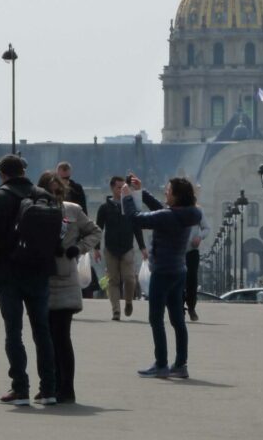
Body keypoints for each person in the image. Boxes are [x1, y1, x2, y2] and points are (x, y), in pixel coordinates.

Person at [0, 154, 57, 406]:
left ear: (2, 174)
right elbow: (59, 234)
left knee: (14, 331)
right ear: (23, 170)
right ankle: (49, 389)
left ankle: (20, 388)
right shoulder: (46, 197)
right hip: (40, 271)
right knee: (42, 331)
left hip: (9, 272)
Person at [121, 174, 201, 379]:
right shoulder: (190, 213)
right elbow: (164, 211)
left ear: (176, 196)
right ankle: (181, 364)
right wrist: (142, 191)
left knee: (156, 319)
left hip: (162, 272)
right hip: (179, 270)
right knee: (177, 320)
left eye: (168, 190)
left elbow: (136, 219)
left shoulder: (168, 217)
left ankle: (162, 363)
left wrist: (128, 198)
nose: (165, 192)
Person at [37, 170, 102, 403]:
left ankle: (67, 388)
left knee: (62, 336)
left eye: (58, 192)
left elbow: (95, 231)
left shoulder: (72, 210)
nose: (54, 196)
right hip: (41, 277)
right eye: (50, 191)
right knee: (44, 338)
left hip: (65, 279)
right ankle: (49, 384)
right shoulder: (33, 209)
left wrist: (79, 248)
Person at [95, 175, 148, 320]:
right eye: (119, 188)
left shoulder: (129, 207)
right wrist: (96, 248)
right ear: (112, 188)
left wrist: (142, 247)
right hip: (110, 248)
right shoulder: (104, 208)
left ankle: (129, 301)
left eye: (123, 187)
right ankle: (116, 311)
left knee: (130, 279)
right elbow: (98, 228)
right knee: (113, 280)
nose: (121, 190)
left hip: (127, 247)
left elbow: (137, 227)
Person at [184, 204, 210, 321]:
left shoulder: (197, 210)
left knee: (191, 280)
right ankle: (179, 307)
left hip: (191, 251)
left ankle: (191, 307)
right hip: (176, 251)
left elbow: (206, 228)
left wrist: (199, 237)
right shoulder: (173, 208)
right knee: (177, 280)